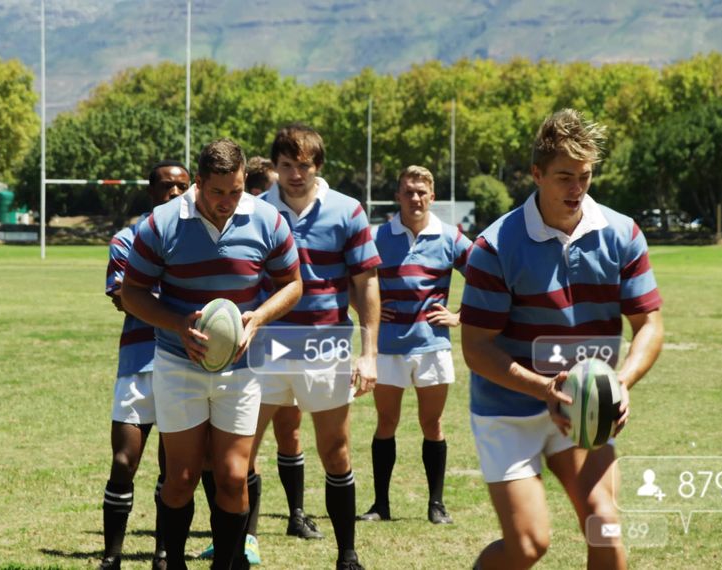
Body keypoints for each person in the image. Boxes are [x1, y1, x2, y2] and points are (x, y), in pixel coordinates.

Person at [461, 109, 664, 569]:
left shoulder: (622, 234)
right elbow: (476, 348)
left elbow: (649, 324)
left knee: (605, 526)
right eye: (564, 177)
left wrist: (621, 383)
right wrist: (544, 389)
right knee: (529, 546)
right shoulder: (495, 247)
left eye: (585, 177)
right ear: (537, 174)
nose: (576, 189)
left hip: (583, 410)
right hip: (509, 410)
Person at [121, 138, 303, 570]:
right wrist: (178, 324)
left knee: (233, 476)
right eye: (217, 192)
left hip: (241, 369)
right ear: (197, 182)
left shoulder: (267, 219)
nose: (226, 202)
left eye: (236, 191)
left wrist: (256, 319)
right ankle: (173, 563)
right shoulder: (162, 223)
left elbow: (293, 285)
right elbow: (132, 294)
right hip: (178, 365)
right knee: (181, 479)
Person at [247, 123, 382, 570]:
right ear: (276, 167)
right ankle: (243, 548)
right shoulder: (254, 210)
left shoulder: (348, 211)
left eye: (303, 166)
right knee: (243, 449)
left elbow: (366, 284)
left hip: (327, 346)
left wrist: (369, 352)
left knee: (336, 451)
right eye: (286, 166)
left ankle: (347, 554)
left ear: (317, 166)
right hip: (265, 346)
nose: (295, 174)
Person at [199, 154, 319, 565]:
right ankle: (243, 536)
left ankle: (295, 513)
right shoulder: (239, 219)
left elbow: (294, 282)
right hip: (246, 343)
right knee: (241, 448)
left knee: (291, 429)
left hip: (289, 336)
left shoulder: (271, 219)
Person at [357, 166, 472, 525]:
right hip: (388, 347)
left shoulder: (450, 236)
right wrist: (366, 309)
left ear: (432, 196)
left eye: (422, 191)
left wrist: (458, 315)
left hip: (433, 347)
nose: (415, 198)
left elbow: (489, 278)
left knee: (432, 424)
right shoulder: (379, 236)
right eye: (408, 191)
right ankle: (380, 505)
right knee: (386, 421)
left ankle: (436, 506)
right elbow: (353, 279)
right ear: (398, 196)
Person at [100, 160, 190, 570]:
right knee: (124, 461)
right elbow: (125, 298)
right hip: (138, 360)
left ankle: (163, 552)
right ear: (150, 191)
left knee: (173, 467)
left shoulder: (198, 239)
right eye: (166, 186)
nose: (174, 193)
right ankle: (112, 555)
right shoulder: (126, 239)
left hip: (184, 362)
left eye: (182, 186)